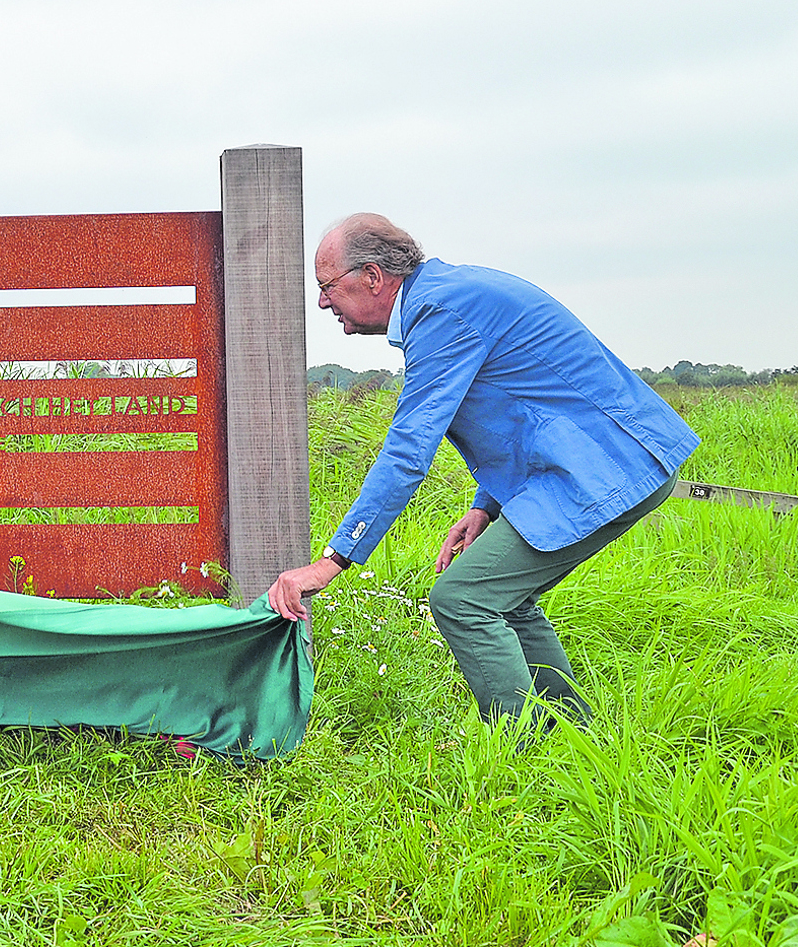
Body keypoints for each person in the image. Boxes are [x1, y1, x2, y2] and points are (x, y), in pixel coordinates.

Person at [266, 214, 698, 724]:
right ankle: (571, 737)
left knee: (461, 599)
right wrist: (485, 506)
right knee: (502, 599)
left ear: (373, 277)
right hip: (594, 461)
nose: (321, 302)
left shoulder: (443, 310)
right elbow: (519, 401)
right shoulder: (446, 299)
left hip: (613, 463)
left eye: (326, 286)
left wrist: (332, 562)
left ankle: (517, 755)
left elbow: (408, 450)